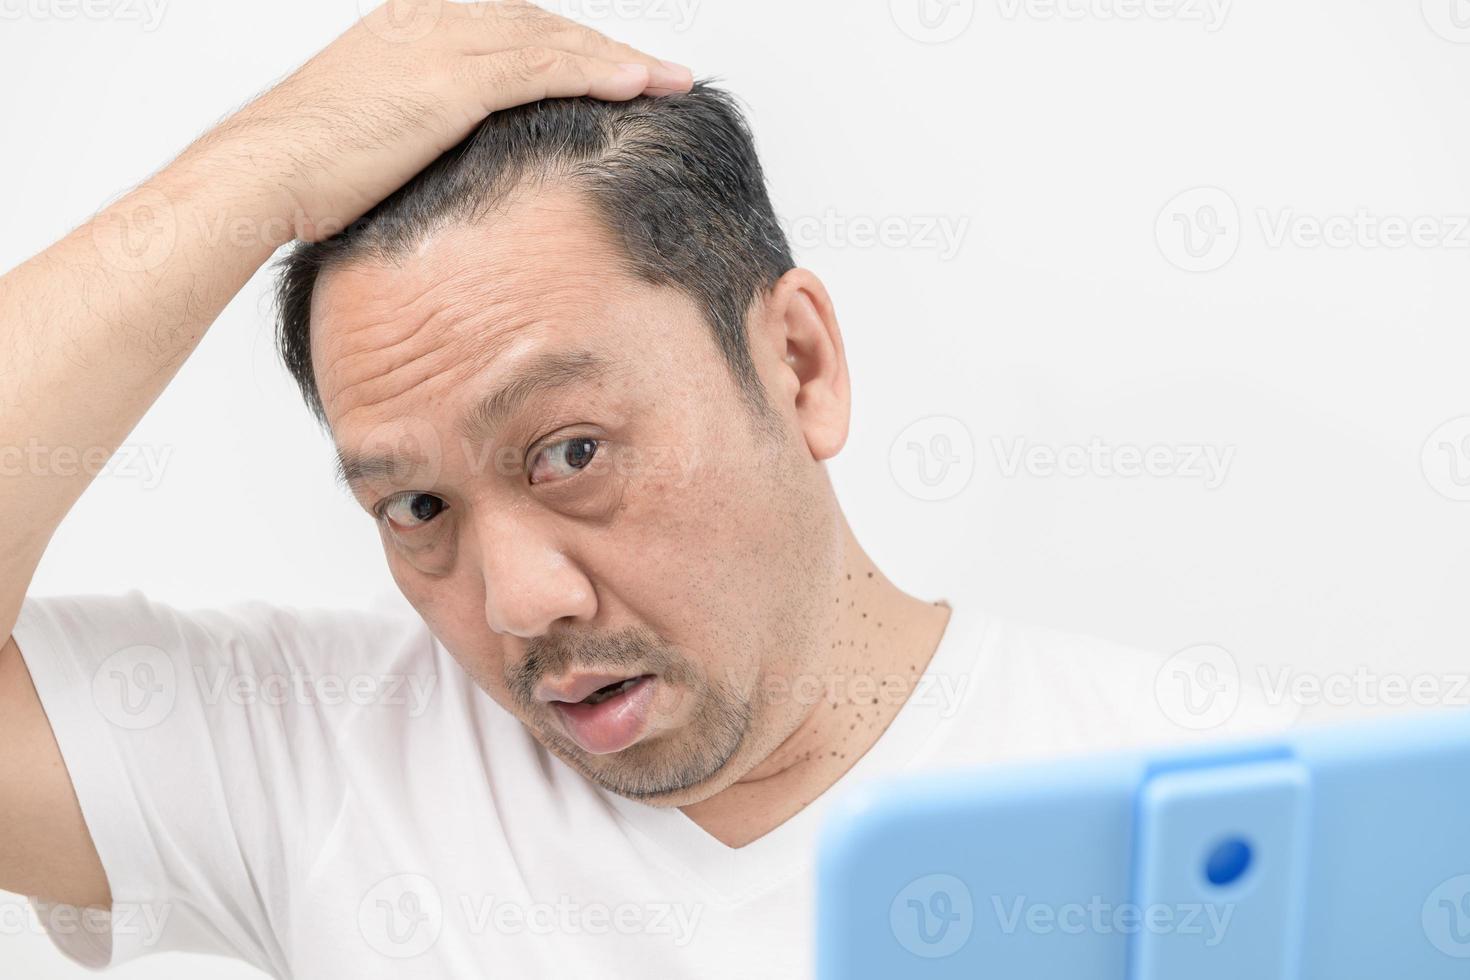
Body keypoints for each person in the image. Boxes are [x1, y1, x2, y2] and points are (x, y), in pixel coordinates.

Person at [0, 4, 1289, 976]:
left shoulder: (1222, 810)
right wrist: (265, 163)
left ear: (799, 364)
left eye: (570, 452)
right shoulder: (308, 761)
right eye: (418, 510)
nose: (518, 602)